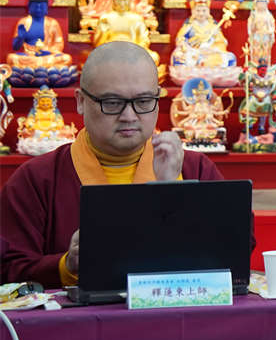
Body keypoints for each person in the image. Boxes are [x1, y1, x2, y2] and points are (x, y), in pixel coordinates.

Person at [0, 42, 222, 287]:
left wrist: (176, 192)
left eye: (143, 101)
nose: (129, 116)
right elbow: (9, 268)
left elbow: (235, 246)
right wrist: (67, 265)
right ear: (81, 101)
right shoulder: (37, 179)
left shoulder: (195, 169)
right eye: (112, 103)